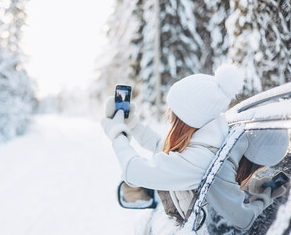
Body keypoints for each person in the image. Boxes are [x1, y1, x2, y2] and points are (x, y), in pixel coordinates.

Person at [100, 64, 289, 230]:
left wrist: (117, 132)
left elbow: (133, 171)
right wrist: (132, 123)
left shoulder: (200, 159)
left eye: (173, 114)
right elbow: (164, 148)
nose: (170, 118)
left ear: (188, 120)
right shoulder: (212, 139)